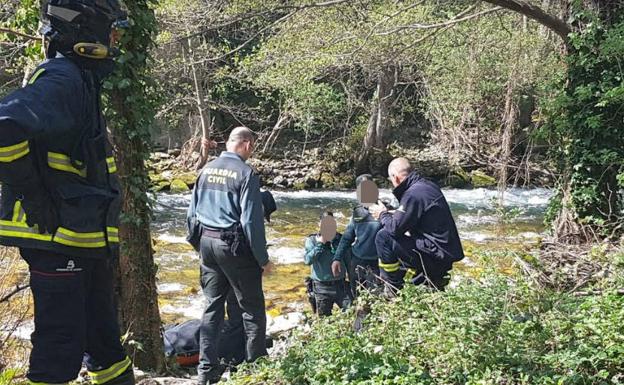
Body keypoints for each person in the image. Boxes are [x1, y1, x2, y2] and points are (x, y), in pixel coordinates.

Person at [0, 1, 133, 385]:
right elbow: (6, 126)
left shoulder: (81, 79)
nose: (114, 42)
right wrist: (31, 194)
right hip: (57, 238)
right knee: (60, 348)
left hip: (83, 240)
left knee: (105, 344)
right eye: (111, 33)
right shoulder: (63, 79)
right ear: (84, 34)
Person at [186, 127, 273, 385]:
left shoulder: (207, 170)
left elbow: (191, 215)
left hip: (207, 243)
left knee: (212, 308)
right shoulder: (246, 174)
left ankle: (206, 371)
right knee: (252, 309)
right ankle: (255, 368)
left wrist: (198, 246)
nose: (252, 151)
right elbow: (251, 223)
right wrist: (262, 259)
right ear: (245, 144)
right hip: (233, 246)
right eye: (253, 146)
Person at [369, 158, 464, 291]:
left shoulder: (412, 194)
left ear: (395, 177)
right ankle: (418, 280)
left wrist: (382, 214)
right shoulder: (427, 185)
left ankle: (391, 287)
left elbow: (394, 229)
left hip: (435, 257)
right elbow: (418, 215)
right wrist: (396, 213)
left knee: (383, 237)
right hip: (442, 254)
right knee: (398, 237)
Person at [333, 174, 381, 295]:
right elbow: (347, 238)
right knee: (358, 297)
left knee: (377, 297)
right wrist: (337, 258)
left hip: (378, 263)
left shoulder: (385, 210)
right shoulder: (358, 212)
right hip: (357, 261)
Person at [303, 211, 350, 316]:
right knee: (324, 320)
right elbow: (307, 260)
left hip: (341, 285)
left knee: (352, 312)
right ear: (319, 225)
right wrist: (320, 244)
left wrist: (353, 281)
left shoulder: (340, 239)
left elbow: (349, 261)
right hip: (321, 288)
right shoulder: (312, 240)